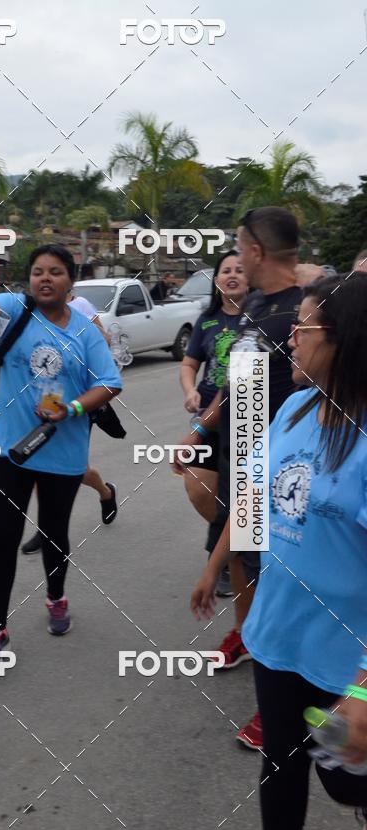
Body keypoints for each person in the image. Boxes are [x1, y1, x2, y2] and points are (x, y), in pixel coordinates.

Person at [194, 274, 367, 830]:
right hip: (276, 634)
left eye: (304, 327)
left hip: (345, 656)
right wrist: (215, 565)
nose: (290, 338)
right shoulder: (293, 409)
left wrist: (364, 688)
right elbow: (252, 498)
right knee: (282, 759)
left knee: (345, 778)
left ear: (344, 340)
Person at [175, 206, 303, 750]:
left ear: (254, 250)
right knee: (242, 556)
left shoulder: (306, 311)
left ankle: (284, 706)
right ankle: (247, 636)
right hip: (239, 452)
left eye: (239, 246)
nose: (235, 258)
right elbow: (235, 385)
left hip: (286, 468)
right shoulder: (254, 306)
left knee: (283, 578)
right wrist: (201, 430)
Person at [0, 244, 121, 657]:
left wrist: (71, 409)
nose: (45, 279)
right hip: (10, 449)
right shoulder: (16, 309)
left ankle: (56, 597)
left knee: (54, 532)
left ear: (70, 281)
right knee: (4, 538)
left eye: (55, 272)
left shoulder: (85, 331)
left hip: (63, 451)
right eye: (38, 272)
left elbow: (109, 383)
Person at [21, 289, 118, 554]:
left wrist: (78, 333)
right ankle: (45, 529)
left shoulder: (81, 306)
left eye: (56, 272)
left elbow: (105, 341)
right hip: (46, 395)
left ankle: (106, 492)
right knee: (40, 465)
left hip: (79, 399)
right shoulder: (37, 311)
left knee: (78, 470)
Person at [179, 250, 248, 594]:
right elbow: (189, 364)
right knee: (197, 484)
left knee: (240, 493)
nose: (232, 275)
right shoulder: (207, 320)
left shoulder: (257, 320)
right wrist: (190, 390)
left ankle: (227, 558)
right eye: (226, 270)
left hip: (247, 417)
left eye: (240, 269)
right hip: (208, 416)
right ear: (217, 279)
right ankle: (231, 544)